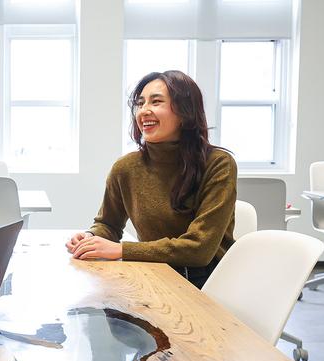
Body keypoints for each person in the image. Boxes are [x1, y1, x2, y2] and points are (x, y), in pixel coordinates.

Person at [65, 70, 237, 288]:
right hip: (152, 274)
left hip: (206, 284)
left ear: (185, 112)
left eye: (156, 102)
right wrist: (90, 238)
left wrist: (121, 250)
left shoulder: (218, 164)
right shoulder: (125, 167)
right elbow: (108, 224)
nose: (144, 111)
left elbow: (199, 248)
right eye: (140, 103)